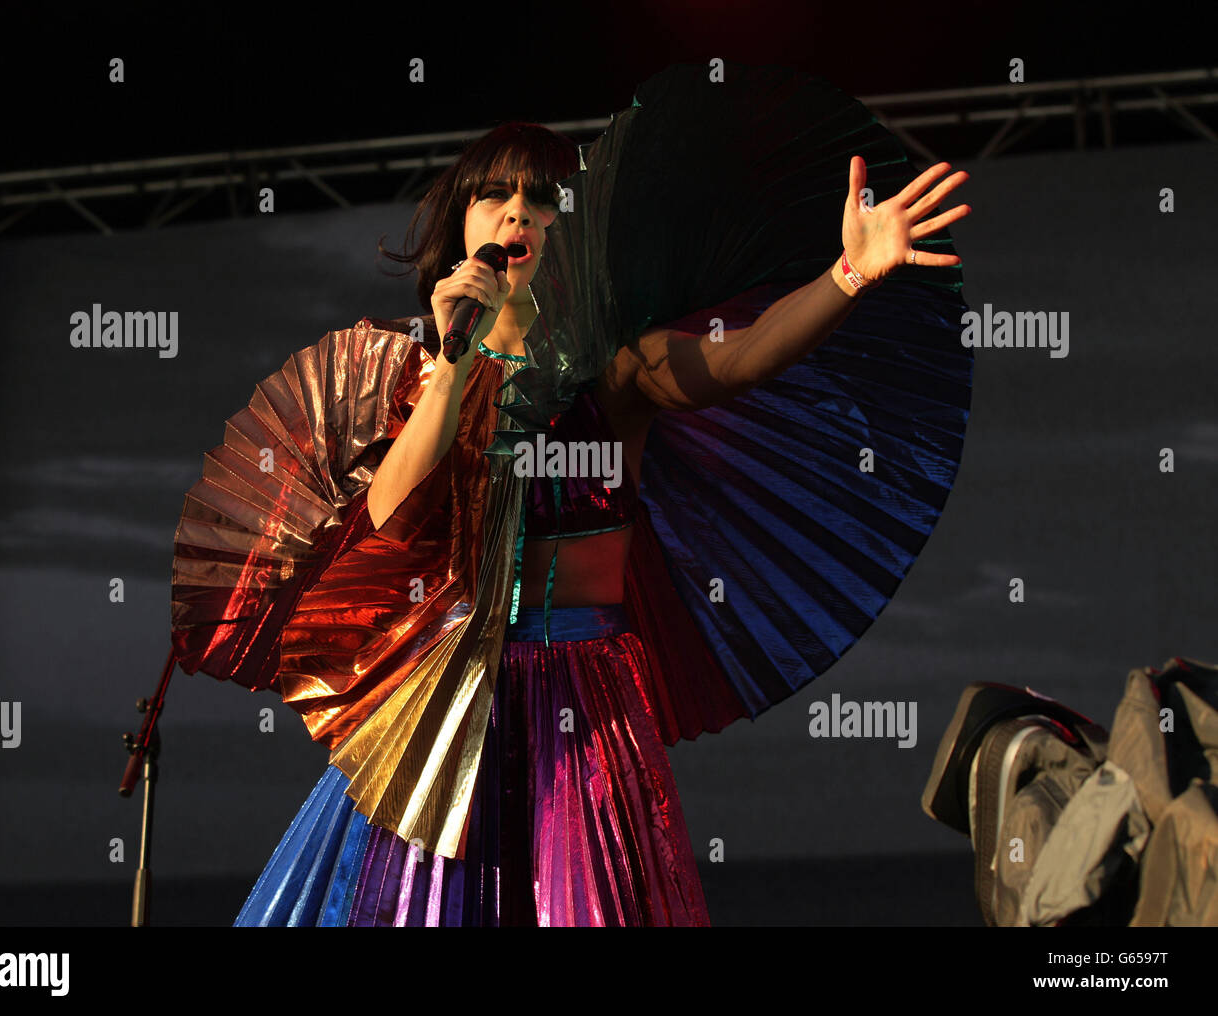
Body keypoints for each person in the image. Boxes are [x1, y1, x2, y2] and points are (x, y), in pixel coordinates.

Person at [170, 68, 971, 926]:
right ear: (462, 228)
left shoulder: (614, 368)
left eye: (542, 198)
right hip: (436, 711)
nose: (516, 213)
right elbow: (389, 511)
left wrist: (847, 273)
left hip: (580, 699)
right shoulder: (415, 375)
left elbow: (741, 356)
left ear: (574, 233)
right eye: (493, 196)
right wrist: (451, 363)